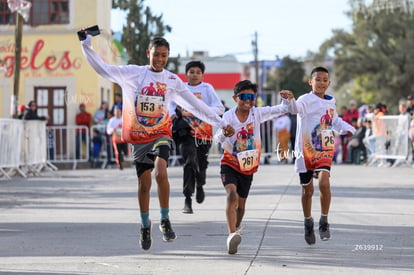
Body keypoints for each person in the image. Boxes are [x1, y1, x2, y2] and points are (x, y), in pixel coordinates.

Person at [80, 32, 233, 251]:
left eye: (164, 56)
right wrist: (86, 45)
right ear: (148, 53)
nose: (159, 60)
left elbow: (195, 106)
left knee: (161, 172)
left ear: (168, 56)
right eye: (156, 55)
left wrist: (219, 121)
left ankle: (165, 219)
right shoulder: (132, 73)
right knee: (144, 184)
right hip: (140, 135)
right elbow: (104, 69)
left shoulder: (172, 80)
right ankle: (145, 225)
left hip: (161, 132)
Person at [214, 80, 296, 254]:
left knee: (241, 207)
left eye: (251, 97)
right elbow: (217, 139)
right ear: (235, 98)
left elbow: (279, 110)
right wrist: (223, 133)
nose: (248, 101)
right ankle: (231, 235)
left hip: (248, 167)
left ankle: (236, 228)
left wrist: (287, 101)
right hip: (229, 163)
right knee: (231, 195)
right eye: (244, 97)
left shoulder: (256, 114)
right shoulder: (228, 116)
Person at [294, 67, 355, 245]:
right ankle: (308, 222)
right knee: (307, 191)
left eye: (325, 80)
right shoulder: (304, 100)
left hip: (325, 148)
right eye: (318, 79)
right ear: (310, 81)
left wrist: (348, 128)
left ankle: (324, 221)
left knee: (324, 182)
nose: (321, 83)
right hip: (305, 150)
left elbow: (334, 120)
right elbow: (295, 108)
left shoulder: (330, 101)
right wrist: (289, 101)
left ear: (329, 83)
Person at [170, 61, 225, 214]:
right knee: (189, 162)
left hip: (204, 133)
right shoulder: (181, 88)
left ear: (202, 75)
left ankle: (200, 184)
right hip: (186, 131)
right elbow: (170, 104)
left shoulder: (207, 88)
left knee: (201, 163)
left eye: (198, 72)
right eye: (191, 71)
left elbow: (219, 108)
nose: (194, 74)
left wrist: (201, 109)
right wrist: (173, 115)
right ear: (186, 73)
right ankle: (187, 199)